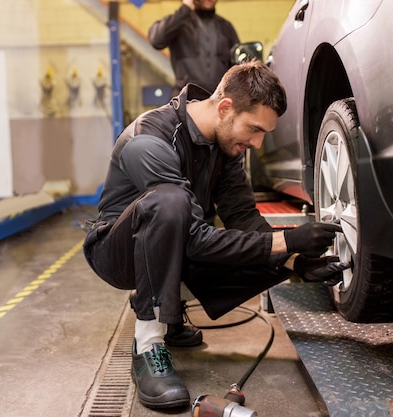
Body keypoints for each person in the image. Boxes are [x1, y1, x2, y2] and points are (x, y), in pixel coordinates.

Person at [83, 61, 348, 409]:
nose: (256, 142)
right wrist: (289, 240)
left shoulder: (224, 149)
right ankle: (148, 345)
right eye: (254, 129)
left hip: (176, 244)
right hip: (117, 255)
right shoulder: (150, 137)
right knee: (171, 202)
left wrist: (295, 262)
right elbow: (192, 237)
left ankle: (171, 315)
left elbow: (243, 219)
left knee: (263, 249)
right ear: (225, 107)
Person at [148, 0, 240, 96]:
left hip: (218, 100)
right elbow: (156, 40)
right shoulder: (179, 23)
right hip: (185, 100)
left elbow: (237, 66)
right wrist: (185, 9)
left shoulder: (226, 27)